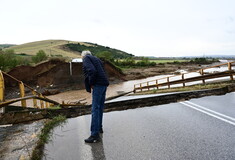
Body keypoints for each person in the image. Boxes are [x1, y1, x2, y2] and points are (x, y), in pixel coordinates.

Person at [81, 50, 109, 143]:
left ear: (83, 56)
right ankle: (99, 128)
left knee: (95, 109)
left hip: (98, 85)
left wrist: (91, 83)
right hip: (104, 84)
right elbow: (103, 71)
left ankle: (94, 135)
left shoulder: (86, 58)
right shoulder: (97, 59)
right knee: (100, 108)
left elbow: (92, 70)